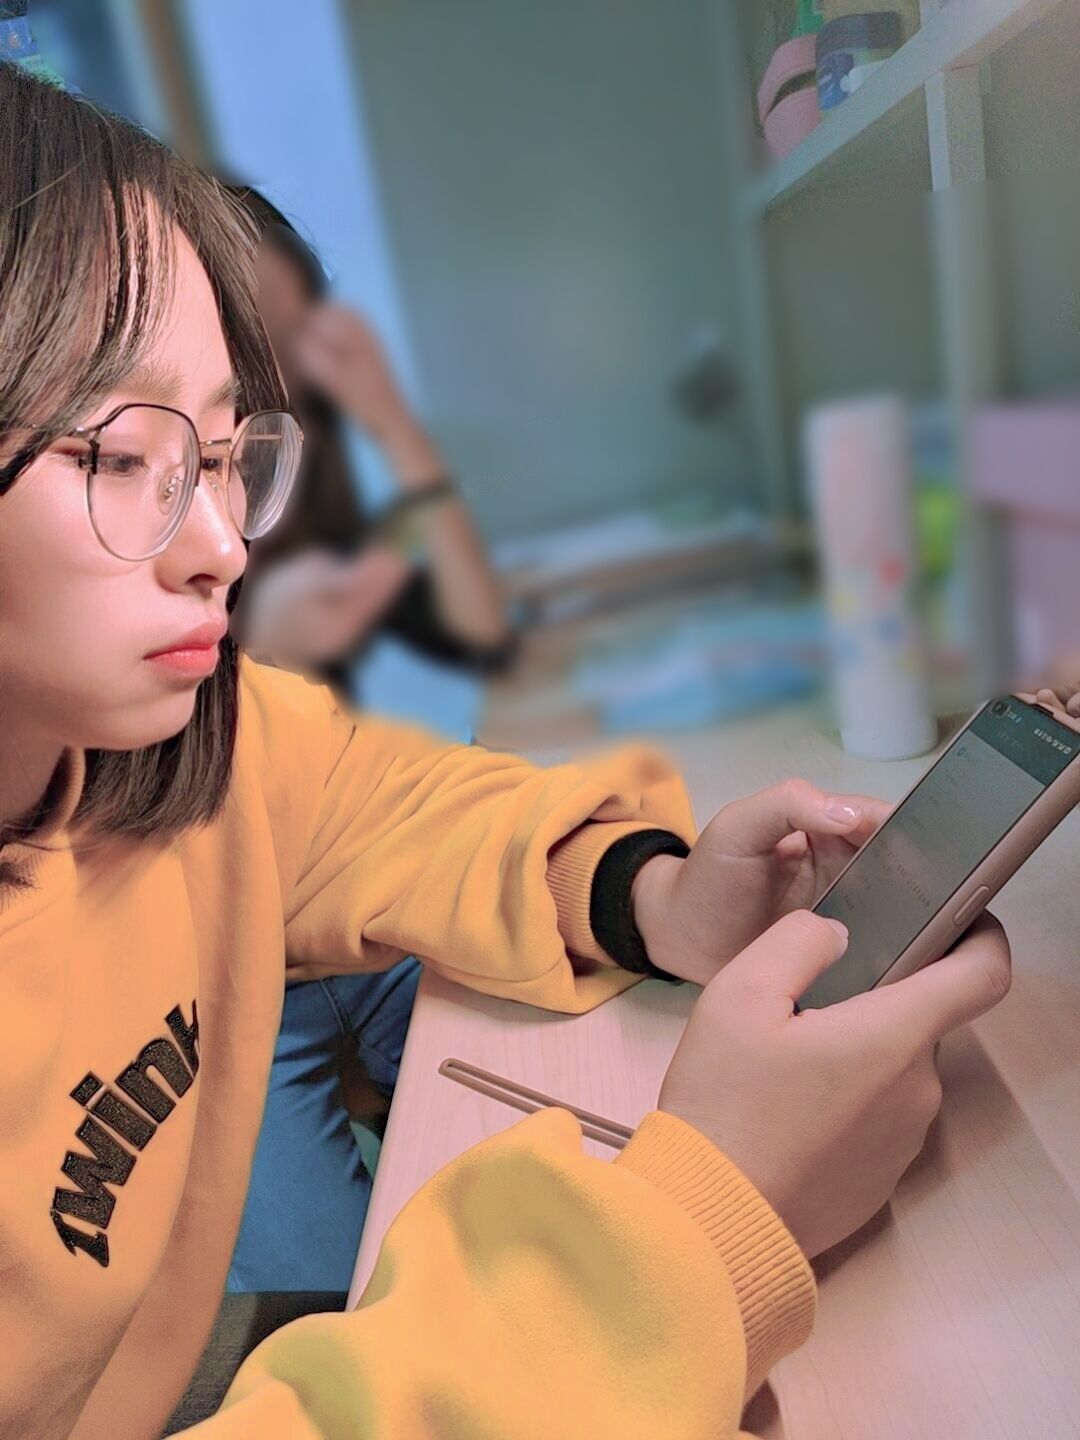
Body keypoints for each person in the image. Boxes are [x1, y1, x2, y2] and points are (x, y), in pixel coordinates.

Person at [0, 68, 1012, 1440]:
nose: (222, 544)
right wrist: (702, 1227)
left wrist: (653, 892)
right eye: (122, 453)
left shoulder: (190, 745)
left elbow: (386, 794)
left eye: (231, 451)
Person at [220, 189, 516, 1293]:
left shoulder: (319, 492)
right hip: (238, 997)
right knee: (315, 1308)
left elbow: (476, 624)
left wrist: (390, 424)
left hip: (374, 919)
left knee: (562, 1118)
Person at [228, 185, 513, 694]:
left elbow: (482, 632)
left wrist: (394, 423)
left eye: (301, 335)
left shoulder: (323, 524)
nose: (291, 379)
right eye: (260, 341)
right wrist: (260, 661)